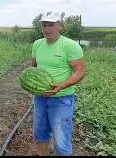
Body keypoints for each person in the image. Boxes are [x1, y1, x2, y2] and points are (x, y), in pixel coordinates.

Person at [30, 11, 86, 156]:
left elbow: (80, 72)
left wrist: (61, 86)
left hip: (62, 99)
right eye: (44, 25)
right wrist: (31, 84)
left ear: (60, 26)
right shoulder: (37, 44)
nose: (47, 29)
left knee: (61, 140)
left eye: (51, 25)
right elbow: (33, 68)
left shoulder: (70, 46)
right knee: (40, 133)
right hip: (40, 98)